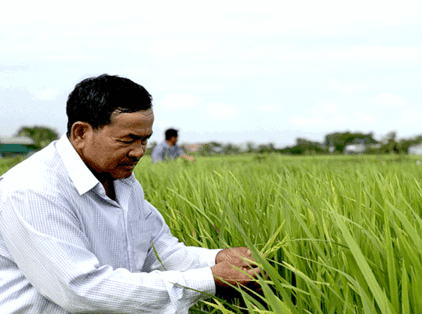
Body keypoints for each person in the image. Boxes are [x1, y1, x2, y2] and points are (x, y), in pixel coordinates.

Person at [0, 74, 262, 313]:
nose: (139, 152)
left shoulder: (123, 181)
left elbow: (159, 254)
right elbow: (81, 290)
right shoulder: (32, 190)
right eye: (128, 140)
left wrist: (217, 258)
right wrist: (210, 280)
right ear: (81, 133)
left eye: (145, 140)